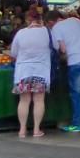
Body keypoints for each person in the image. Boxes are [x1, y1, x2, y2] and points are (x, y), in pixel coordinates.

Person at [51, 7, 80, 133]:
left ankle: (76, 124)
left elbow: (63, 49)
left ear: (52, 21)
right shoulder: (76, 21)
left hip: (76, 61)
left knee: (76, 93)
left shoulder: (56, 28)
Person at [10, 9, 53, 138]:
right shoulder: (47, 32)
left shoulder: (21, 33)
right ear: (40, 19)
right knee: (39, 100)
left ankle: (22, 130)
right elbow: (55, 47)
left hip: (23, 71)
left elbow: (13, 53)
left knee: (24, 100)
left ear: (28, 20)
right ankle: (36, 130)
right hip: (41, 70)